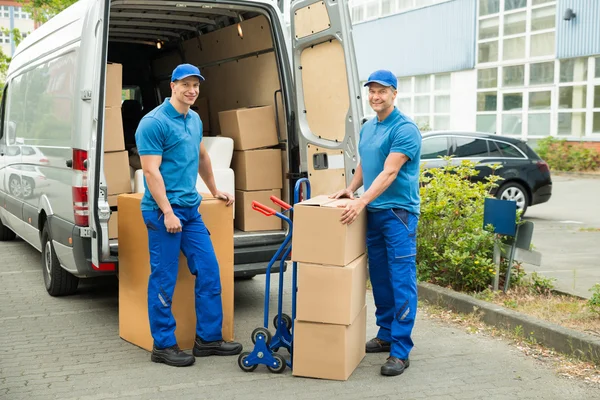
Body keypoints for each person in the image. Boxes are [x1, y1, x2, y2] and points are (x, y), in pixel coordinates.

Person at [135, 63, 243, 367]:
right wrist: (168, 212)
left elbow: (202, 156)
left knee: (209, 269)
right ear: (172, 86)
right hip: (161, 213)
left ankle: (208, 339)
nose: (191, 90)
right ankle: (163, 345)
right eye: (185, 84)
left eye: (196, 85)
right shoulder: (153, 123)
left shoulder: (193, 119)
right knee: (164, 278)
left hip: (191, 211)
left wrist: (214, 189)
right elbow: (150, 171)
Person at [330, 69, 422, 377]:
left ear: (394, 94)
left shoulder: (405, 129)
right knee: (380, 278)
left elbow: (389, 172)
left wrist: (360, 201)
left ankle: (400, 350)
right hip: (374, 213)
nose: (375, 96)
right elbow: (365, 164)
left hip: (398, 214)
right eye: (371, 91)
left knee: (401, 279)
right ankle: (385, 334)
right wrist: (351, 187)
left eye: (382, 91)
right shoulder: (369, 127)